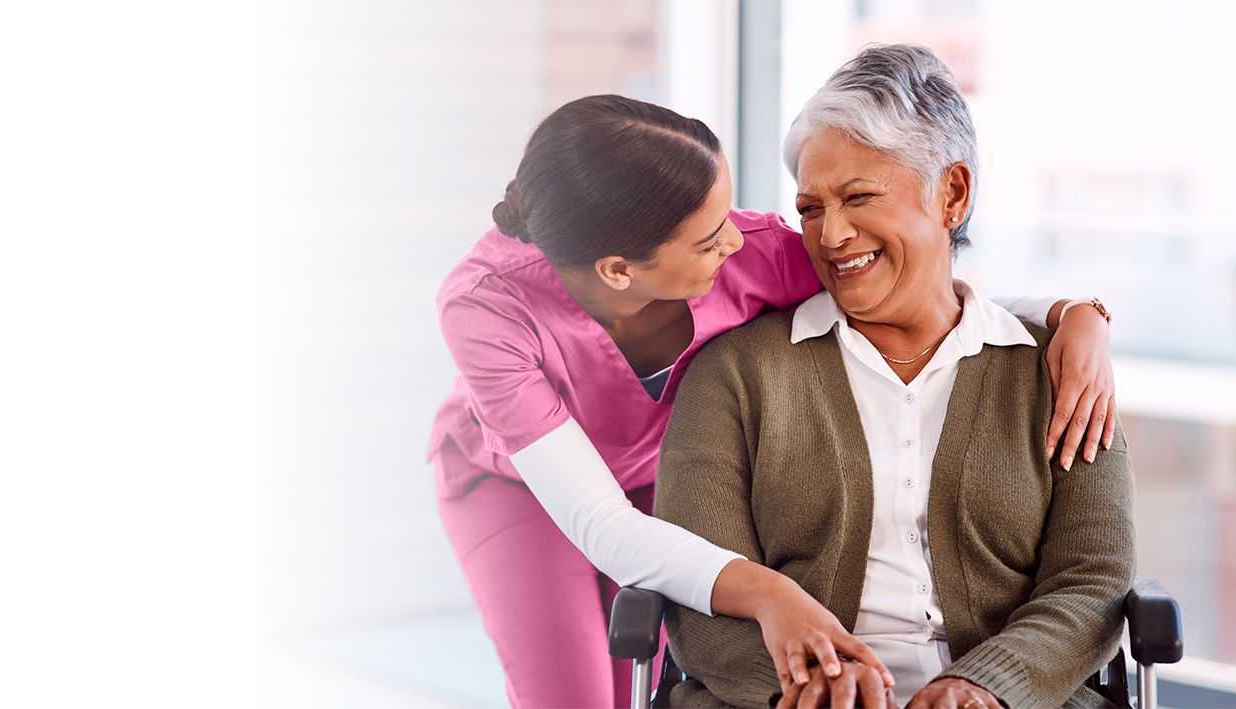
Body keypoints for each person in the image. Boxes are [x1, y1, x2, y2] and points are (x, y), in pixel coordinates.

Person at [429, 92, 1118, 708]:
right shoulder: (486, 305)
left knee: (638, 667)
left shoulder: (751, 251)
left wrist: (1070, 313)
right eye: (706, 237)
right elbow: (602, 526)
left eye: (725, 210)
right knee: (575, 697)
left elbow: (924, 289)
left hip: (665, 475)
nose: (734, 236)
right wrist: (773, 594)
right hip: (523, 488)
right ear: (618, 269)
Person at [654, 44, 1134, 709]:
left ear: (952, 194)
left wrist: (985, 684)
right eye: (812, 207)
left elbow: (1092, 579)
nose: (830, 234)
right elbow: (697, 585)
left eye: (857, 197)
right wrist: (812, 682)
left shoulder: (1059, 372)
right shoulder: (734, 374)